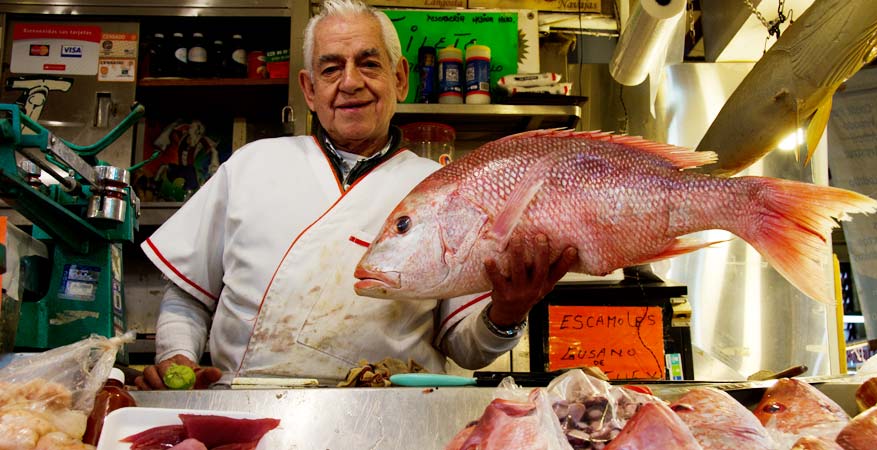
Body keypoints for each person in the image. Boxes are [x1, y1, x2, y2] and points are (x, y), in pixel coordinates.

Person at [135, 0, 578, 390]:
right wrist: (177, 357)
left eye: (369, 64)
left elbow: (467, 348)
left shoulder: (449, 189)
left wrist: (507, 314)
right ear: (309, 89)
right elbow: (189, 296)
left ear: (399, 78)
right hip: (247, 412)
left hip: (396, 419)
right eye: (331, 68)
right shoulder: (251, 166)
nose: (350, 82)